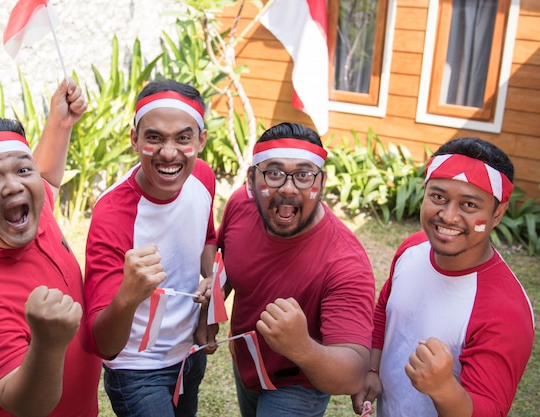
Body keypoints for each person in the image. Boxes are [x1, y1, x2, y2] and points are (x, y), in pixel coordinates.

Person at [0, 78, 102, 417]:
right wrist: (48, 342)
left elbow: (48, 179)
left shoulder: (34, 211)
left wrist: (59, 125)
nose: (15, 185)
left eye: (22, 169)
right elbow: (27, 406)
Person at [351, 137, 535, 417]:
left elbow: (490, 410)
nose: (448, 216)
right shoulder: (412, 248)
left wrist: (443, 388)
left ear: (497, 213)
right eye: (438, 197)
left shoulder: (505, 310)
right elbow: (386, 311)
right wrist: (372, 369)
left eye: (469, 205)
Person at [216, 122, 376, 417]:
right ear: (251, 180)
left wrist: (301, 347)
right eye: (274, 173)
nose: (288, 188)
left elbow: (354, 371)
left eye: (303, 175)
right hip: (248, 363)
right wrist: (212, 306)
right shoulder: (241, 205)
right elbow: (226, 256)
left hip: (299, 381)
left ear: (321, 183)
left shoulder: (345, 263)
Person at [83, 79, 217, 417]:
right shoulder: (112, 214)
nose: (169, 153)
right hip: (136, 369)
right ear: (134, 139)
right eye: (154, 137)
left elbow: (207, 239)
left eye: (183, 138)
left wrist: (210, 278)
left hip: (189, 354)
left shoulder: (202, 177)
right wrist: (129, 293)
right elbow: (104, 344)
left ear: (201, 140)